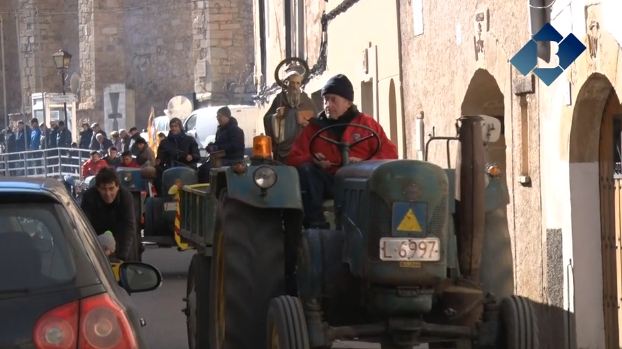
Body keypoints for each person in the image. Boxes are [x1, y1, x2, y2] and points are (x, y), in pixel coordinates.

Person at [287, 74, 398, 228]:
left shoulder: (366, 124)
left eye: (333, 100)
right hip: (328, 181)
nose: (327, 104)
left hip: (361, 182)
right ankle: (316, 225)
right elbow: (292, 157)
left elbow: (390, 153)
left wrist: (366, 163)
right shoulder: (314, 128)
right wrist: (312, 159)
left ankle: (381, 224)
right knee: (307, 171)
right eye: (325, 99)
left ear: (348, 102)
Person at [80, 167, 137, 261]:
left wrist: (122, 257)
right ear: (97, 188)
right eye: (103, 189)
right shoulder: (89, 197)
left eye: (111, 188)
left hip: (120, 237)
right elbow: (84, 226)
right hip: (97, 238)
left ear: (118, 187)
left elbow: (128, 226)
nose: (108, 193)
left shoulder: (126, 197)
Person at [263, 71, 316, 162]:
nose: (295, 86)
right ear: (287, 84)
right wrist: (276, 117)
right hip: (282, 147)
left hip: (301, 145)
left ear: (300, 85)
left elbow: (315, 122)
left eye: (297, 83)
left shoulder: (306, 100)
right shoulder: (279, 99)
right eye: (292, 83)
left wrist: (304, 121)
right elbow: (267, 118)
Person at [198, 106, 245, 182]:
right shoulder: (220, 130)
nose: (218, 118)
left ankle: (212, 190)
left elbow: (236, 146)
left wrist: (218, 147)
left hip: (233, 159)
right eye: (217, 116)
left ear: (227, 117)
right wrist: (211, 146)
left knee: (207, 170)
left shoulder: (236, 130)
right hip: (220, 159)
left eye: (220, 116)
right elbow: (218, 143)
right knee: (201, 169)